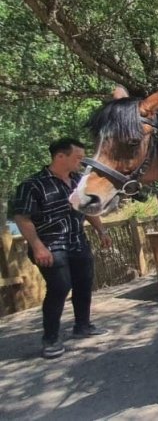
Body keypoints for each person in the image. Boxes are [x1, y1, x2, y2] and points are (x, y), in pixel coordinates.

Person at [12, 138, 112, 359]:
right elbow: (22, 218)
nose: (81, 162)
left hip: (77, 241)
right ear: (60, 156)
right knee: (60, 287)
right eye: (77, 157)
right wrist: (37, 246)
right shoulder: (33, 185)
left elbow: (88, 208)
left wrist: (102, 231)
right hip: (49, 245)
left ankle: (82, 326)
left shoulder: (79, 181)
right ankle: (50, 338)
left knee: (84, 283)